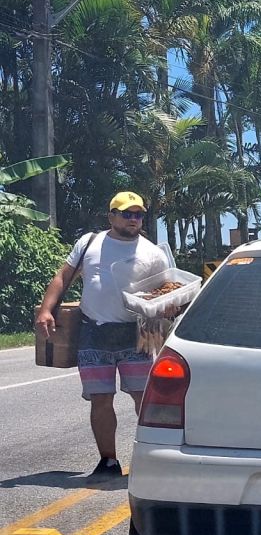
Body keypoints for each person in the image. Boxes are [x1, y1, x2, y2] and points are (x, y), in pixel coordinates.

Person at [36, 191, 168, 480]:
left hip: (140, 334)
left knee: (145, 398)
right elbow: (63, 276)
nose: (133, 219)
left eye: (138, 214)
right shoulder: (89, 243)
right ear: (112, 215)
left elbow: (166, 293)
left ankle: (157, 457)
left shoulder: (153, 254)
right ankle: (108, 461)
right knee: (100, 399)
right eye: (126, 213)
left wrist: (165, 323)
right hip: (93, 332)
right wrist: (46, 310)